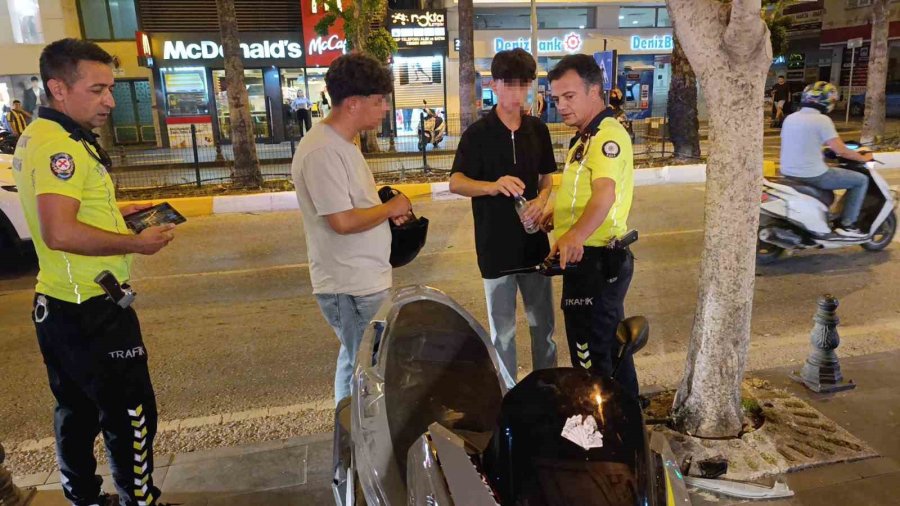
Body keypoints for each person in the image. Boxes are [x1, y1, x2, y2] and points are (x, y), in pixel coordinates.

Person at [11, 39, 176, 506]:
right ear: (58, 88)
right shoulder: (57, 147)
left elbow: (67, 213)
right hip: (90, 307)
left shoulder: (52, 137)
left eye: (111, 88)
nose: (109, 100)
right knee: (132, 413)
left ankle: (84, 497)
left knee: (76, 411)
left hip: (60, 303)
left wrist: (119, 214)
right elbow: (60, 231)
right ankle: (138, 500)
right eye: (98, 88)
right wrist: (135, 242)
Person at [291, 53, 413, 404]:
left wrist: (385, 212)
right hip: (349, 285)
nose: (385, 109)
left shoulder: (342, 144)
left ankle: (353, 440)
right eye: (379, 101)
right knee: (364, 365)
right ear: (354, 104)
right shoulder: (322, 151)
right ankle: (355, 438)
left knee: (356, 358)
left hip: (362, 278)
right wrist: (389, 208)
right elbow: (341, 221)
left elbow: (353, 208)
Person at [449, 48, 557, 387]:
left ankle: (547, 391)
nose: (516, 93)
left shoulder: (538, 130)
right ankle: (511, 396)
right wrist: (492, 186)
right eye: (507, 84)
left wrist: (542, 201)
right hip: (495, 250)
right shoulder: (477, 135)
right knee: (504, 334)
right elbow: (456, 182)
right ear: (493, 85)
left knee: (545, 330)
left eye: (522, 84)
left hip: (535, 248)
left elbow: (547, 178)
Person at [543, 54, 638, 397]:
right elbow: (582, 195)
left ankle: (610, 421)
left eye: (569, 96)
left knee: (594, 352)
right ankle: (616, 414)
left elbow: (604, 195)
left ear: (594, 90)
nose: (561, 106)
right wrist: (556, 215)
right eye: (556, 99)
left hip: (599, 260)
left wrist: (574, 234)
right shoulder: (584, 137)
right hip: (585, 258)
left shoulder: (607, 136)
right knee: (595, 347)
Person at [780, 81, 874, 238]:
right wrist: (863, 158)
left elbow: (801, 144)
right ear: (827, 100)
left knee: (830, 195)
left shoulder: (790, 118)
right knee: (861, 180)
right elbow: (842, 151)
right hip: (813, 174)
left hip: (788, 172)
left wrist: (824, 153)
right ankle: (847, 225)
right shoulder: (822, 120)